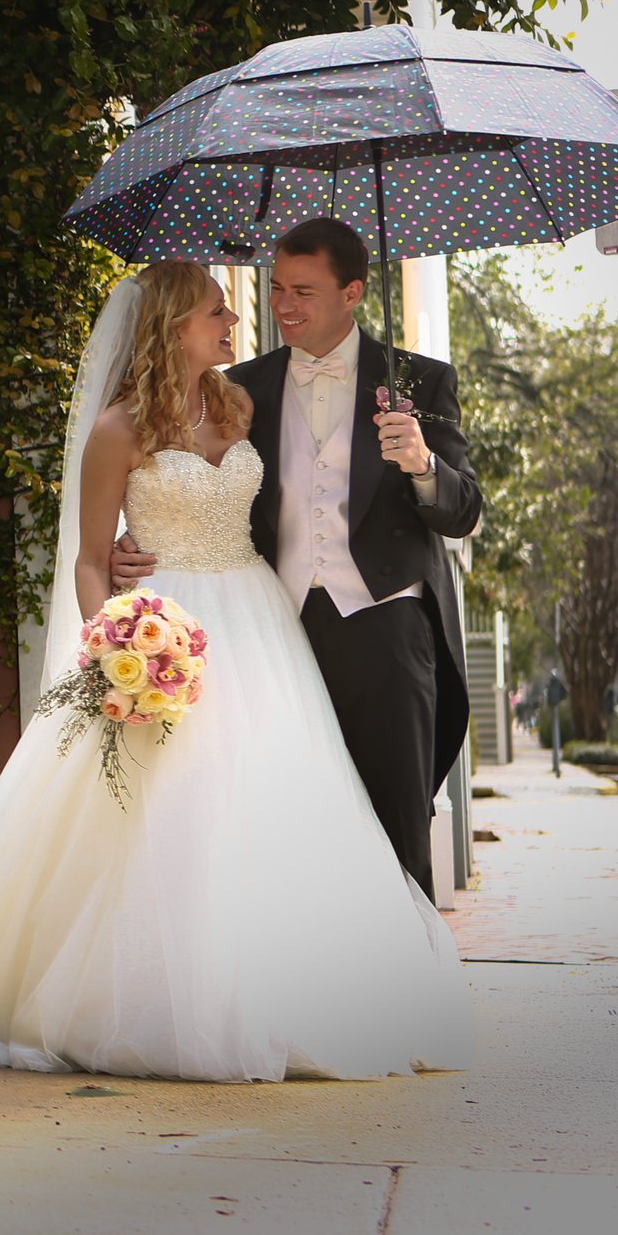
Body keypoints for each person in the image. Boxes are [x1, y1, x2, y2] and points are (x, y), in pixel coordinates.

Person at [0, 260, 472, 1081]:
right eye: (217, 311)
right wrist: (119, 646)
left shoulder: (242, 405)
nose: (235, 321)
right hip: (162, 622)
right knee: (165, 815)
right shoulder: (118, 430)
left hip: (257, 623)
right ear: (170, 327)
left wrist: (412, 454)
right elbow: (88, 560)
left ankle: (287, 987)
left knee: (268, 803)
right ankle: (155, 997)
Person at [115, 217, 481, 895]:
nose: (283, 305)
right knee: (284, 822)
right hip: (269, 635)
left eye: (304, 291)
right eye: (277, 287)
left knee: (397, 825)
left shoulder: (421, 382)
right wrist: (136, 540)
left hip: (385, 629)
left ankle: (405, 983)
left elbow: (463, 510)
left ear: (353, 292)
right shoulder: (240, 385)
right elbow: (174, 468)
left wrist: (423, 463)